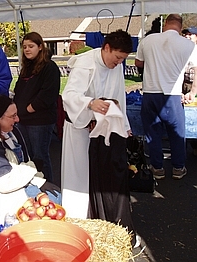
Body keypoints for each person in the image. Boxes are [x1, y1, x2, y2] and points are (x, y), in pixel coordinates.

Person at [61, 29, 132, 220]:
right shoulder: (85, 64)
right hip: (79, 128)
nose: (118, 63)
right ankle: (76, 217)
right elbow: (69, 96)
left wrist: (124, 125)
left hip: (100, 129)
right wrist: (90, 103)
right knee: (79, 176)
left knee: (97, 174)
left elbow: (119, 96)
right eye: (117, 57)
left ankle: (95, 215)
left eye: (122, 59)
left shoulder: (116, 66)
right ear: (106, 48)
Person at [0, 94, 61, 225]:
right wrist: (32, 167)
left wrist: (39, 180)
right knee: (53, 202)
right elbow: (5, 181)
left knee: (56, 197)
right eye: (12, 116)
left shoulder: (10, 133)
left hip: (17, 189)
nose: (18, 119)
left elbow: (20, 164)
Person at [135, 14, 197, 180]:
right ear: (179, 25)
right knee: (177, 134)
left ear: (165, 25)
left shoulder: (147, 41)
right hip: (173, 94)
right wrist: (192, 92)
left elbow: (138, 63)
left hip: (150, 92)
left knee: (152, 134)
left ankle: (157, 167)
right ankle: (178, 167)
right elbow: (196, 68)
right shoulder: (188, 44)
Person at [13, 32, 61, 183]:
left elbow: (48, 95)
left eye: (31, 46)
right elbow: (18, 90)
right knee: (27, 156)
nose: (27, 49)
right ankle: (33, 186)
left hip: (40, 120)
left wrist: (28, 109)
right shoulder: (26, 67)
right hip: (22, 119)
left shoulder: (50, 67)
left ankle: (49, 188)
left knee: (40, 156)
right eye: (25, 47)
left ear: (40, 47)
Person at [182, 26, 197, 156]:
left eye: (190, 34)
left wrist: (193, 91)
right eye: (185, 34)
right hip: (184, 84)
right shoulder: (182, 50)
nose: (187, 36)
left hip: (194, 85)